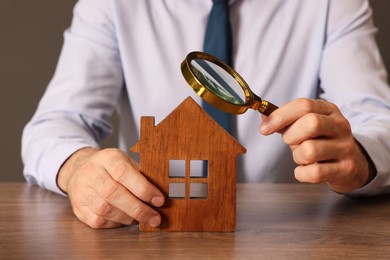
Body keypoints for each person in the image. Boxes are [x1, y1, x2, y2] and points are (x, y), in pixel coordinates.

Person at [22, 0, 390, 229]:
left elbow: (380, 120)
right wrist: (76, 167)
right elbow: (56, 121)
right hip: (154, 226)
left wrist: (360, 157)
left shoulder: (333, 3)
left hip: (287, 231)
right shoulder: (110, 3)